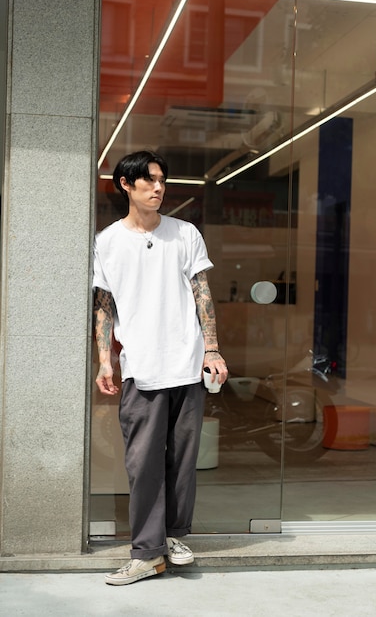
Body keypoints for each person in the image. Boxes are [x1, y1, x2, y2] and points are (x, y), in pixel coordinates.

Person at [93, 150, 228, 586]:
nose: (158, 187)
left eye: (162, 180)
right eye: (148, 180)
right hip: (142, 367)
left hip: (187, 366)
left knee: (182, 461)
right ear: (126, 186)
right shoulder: (108, 241)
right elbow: (103, 305)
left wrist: (212, 350)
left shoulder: (185, 234)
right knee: (143, 463)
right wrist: (104, 359)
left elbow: (202, 292)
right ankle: (146, 552)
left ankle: (171, 538)